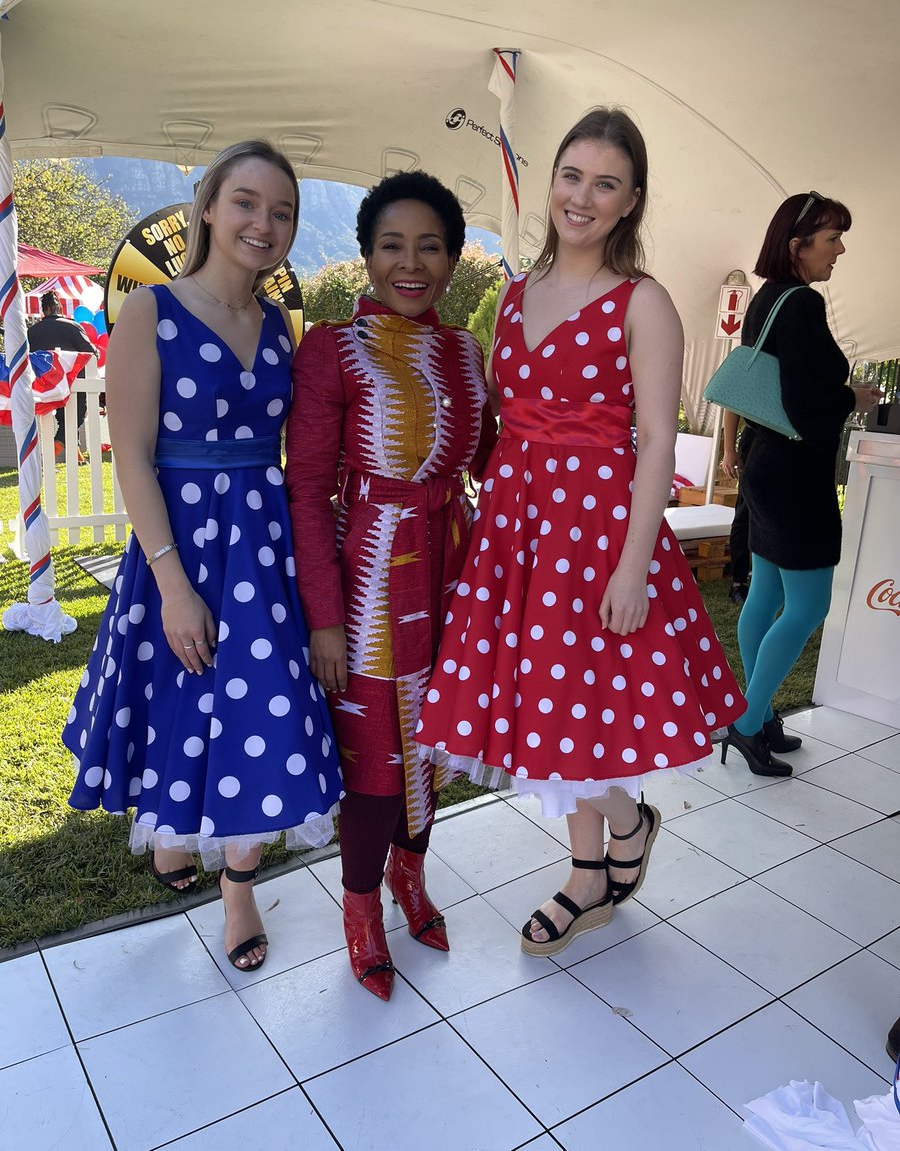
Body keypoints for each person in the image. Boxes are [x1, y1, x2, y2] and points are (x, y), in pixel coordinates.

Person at [415, 108, 746, 957]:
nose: (582, 197)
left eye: (606, 183)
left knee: (575, 712)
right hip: (519, 536)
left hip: (599, 539)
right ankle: (593, 867)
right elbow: (503, 419)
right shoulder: (516, 293)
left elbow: (659, 443)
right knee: (549, 712)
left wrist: (632, 568)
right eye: (571, 176)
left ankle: (621, 836)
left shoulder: (644, 302)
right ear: (551, 182)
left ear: (631, 201)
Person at [64, 140, 344, 972]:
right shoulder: (148, 314)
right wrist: (174, 585)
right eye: (248, 203)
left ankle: (239, 889)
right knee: (185, 703)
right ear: (210, 209)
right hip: (177, 547)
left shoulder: (280, 326)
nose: (265, 223)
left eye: (283, 210)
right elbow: (132, 458)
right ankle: (174, 835)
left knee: (258, 713)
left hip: (262, 552)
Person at [285, 170, 496, 1000]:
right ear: (367, 254)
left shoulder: (464, 351)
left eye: (430, 246)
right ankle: (362, 909)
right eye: (392, 246)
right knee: (376, 758)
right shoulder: (333, 348)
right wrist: (324, 621)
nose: (411, 264)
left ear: (452, 258)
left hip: (455, 565)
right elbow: (305, 490)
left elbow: (492, 460)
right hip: (370, 572)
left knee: (434, 741)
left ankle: (413, 877)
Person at [723, 191, 881, 776]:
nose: (838, 250)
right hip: (794, 473)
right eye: (832, 239)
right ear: (799, 246)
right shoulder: (803, 305)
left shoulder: (768, 298)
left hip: (765, 463)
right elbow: (806, 399)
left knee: (765, 593)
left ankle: (756, 714)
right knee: (808, 602)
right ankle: (746, 722)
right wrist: (853, 397)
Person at [27, 290, 96, 463]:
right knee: (75, 417)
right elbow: (91, 352)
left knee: (62, 420)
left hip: (44, 386)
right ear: (58, 307)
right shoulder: (72, 326)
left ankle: (75, 456)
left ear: (45, 309)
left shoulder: (32, 331)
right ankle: (49, 455)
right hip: (73, 382)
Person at [721, 411, 752, 605]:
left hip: (791, 442)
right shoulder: (754, 378)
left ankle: (770, 582)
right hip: (757, 439)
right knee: (745, 513)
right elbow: (731, 407)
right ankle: (738, 584)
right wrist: (728, 450)